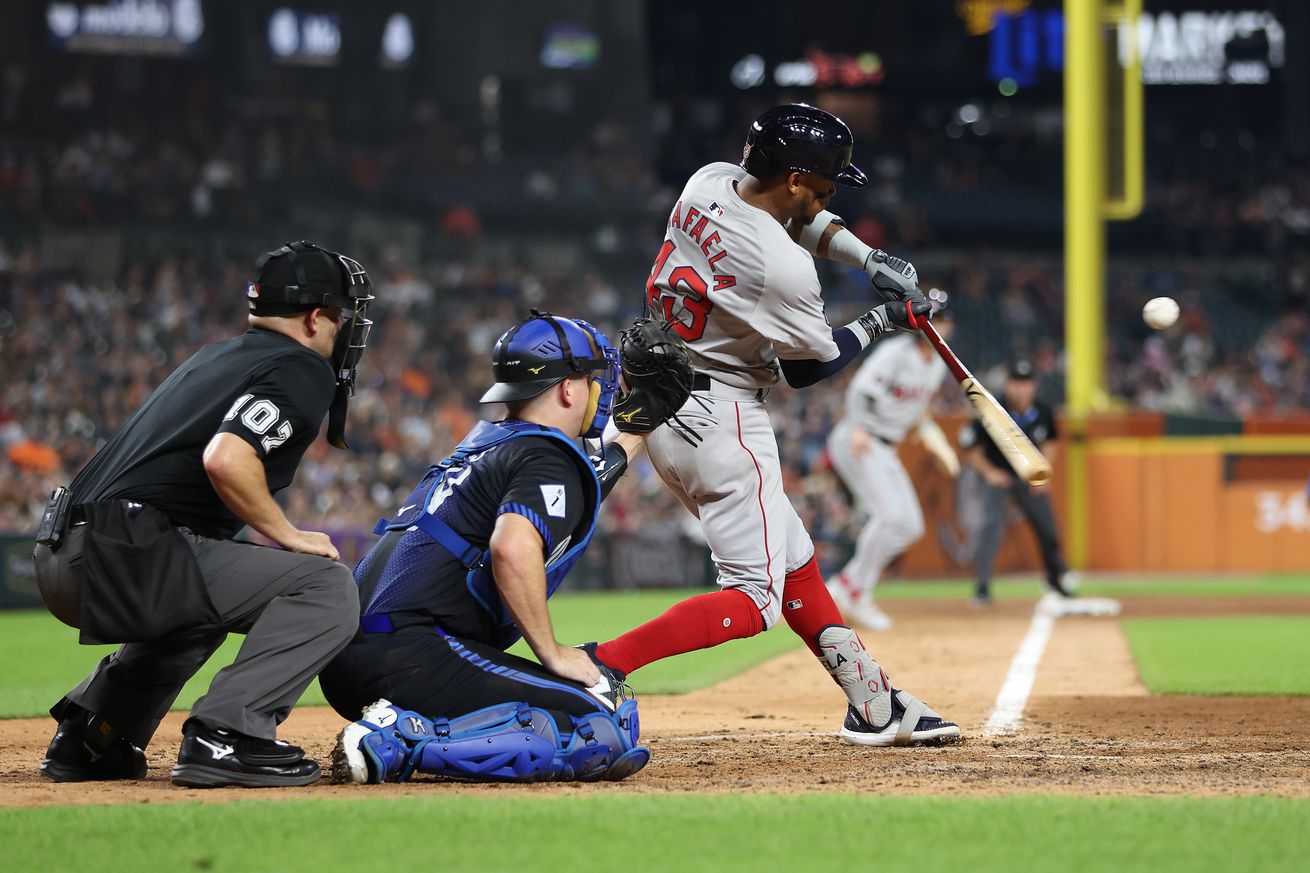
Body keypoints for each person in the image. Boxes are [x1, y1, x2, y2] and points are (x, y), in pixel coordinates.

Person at [587, 103, 961, 747]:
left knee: (796, 561)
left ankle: (872, 703)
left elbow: (799, 219)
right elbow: (807, 372)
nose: (830, 193)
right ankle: (603, 665)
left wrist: (865, 257)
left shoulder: (707, 181)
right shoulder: (778, 270)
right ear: (793, 178)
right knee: (754, 601)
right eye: (824, 181)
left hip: (665, 404)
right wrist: (884, 319)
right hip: (724, 417)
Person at [32, 241, 375, 788]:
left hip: (66, 548)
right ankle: (227, 737)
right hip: (125, 549)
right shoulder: (301, 367)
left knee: (202, 604)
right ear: (316, 318)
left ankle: (93, 736)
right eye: (342, 316)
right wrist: (288, 534)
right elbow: (227, 458)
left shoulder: (216, 356)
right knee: (327, 588)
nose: (346, 330)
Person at [324, 313, 687, 783]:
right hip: (413, 654)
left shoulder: (491, 444)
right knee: (598, 727)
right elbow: (512, 549)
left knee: (596, 709)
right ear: (568, 390)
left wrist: (643, 422)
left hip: (354, 654)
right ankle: (400, 741)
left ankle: (406, 725)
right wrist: (553, 653)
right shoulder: (547, 455)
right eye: (593, 378)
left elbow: (586, 478)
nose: (600, 391)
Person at [826, 298, 960, 631]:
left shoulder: (938, 363)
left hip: (886, 447)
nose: (938, 325)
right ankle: (855, 590)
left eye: (943, 319)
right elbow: (860, 389)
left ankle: (846, 585)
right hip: (862, 437)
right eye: (933, 318)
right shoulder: (896, 353)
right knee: (888, 516)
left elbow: (917, 409)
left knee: (910, 525)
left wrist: (933, 438)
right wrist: (857, 426)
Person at [959, 359, 1074, 606]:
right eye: (1016, 383)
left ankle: (1056, 580)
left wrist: (1042, 472)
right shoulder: (991, 409)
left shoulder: (1043, 411)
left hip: (1029, 478)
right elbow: (971, 448)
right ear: (1008, 384)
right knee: (988, 528)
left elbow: (1052, 442)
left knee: (1049, 530)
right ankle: (982, 586)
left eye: (1026, 383)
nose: (1021, 389)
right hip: (999, 479)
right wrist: (989, 473)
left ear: (1034, 385)